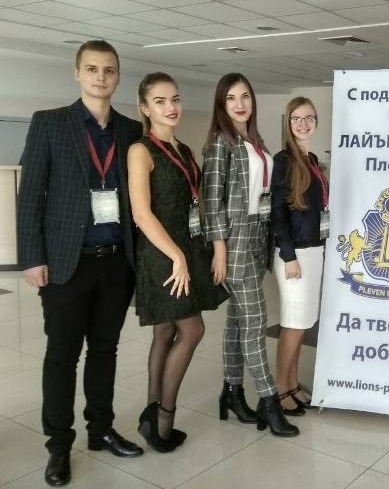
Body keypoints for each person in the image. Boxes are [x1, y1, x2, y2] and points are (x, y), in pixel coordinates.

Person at [17, 40, 144, 486]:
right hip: (65, 264)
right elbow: (30, 195)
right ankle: (58, 445)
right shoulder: (49, 123)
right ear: (77, 73)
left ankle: (100, 430)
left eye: (109, 70)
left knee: (105, 351)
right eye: (92, 69)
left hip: (116, 263)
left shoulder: (131, 130)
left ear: (118, 76)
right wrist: (32, 257)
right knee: (62, 356)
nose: (100, 77)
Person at [128, 72, 226, 452]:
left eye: (175, 99)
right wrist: (177, 257)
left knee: (165, 332)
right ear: (144, 108)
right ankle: (164, 418)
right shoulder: (141, 151)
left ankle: (151, 416)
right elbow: (141, 214)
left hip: (186, 249)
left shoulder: (183, 150)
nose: (171, 107)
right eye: (160, 101)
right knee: (193, 330)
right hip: (162, 255)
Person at [202, 73, 298, 437]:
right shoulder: (220, 143)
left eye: (245, 96)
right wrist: (219, 250)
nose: (240, 104)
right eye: (231, 98)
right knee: (256, 323)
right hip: (235, 242)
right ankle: (269, 402)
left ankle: (232, 392)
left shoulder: (255, 141)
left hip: (258, 238)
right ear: (221, 104)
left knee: (237, 321)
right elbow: (212, 200)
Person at [271, 96, 328, 415]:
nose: (303, 124)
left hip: (314, 250)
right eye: (296, 119)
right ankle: (281, 390)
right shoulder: (283, 160)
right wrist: (289, 255)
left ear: (315, 122)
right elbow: (278, 213)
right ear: (288, 123)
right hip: (295, 255)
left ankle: (292, 384)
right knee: (293, 324)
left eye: (309, 118)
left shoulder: (312, 159)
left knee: (304, 322)